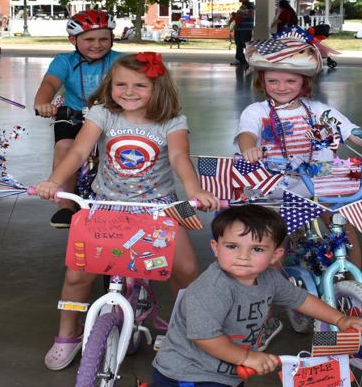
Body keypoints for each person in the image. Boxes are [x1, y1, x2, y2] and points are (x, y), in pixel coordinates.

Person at [30, 52, 224, 370]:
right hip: (106, 204)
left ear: (158, 88)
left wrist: (194, 190)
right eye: (121, 84)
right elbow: (78, 150)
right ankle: (68, 333)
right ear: (110, 86)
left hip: (158, 208)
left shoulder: (172, 121)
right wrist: (54, 181)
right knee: (77, 274)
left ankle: (185, 332)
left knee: (187, 272)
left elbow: (179, 158)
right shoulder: (102, 113)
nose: (129, 91)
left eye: (140, 85)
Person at [148, 205, 362, 387]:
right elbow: (204, 337)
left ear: (276, 255)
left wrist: (341, 319)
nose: (243, 256)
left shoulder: (269, 279)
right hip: (189, 375)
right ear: (215, 247)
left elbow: (302, 299)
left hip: (227, 372)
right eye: (232, 246)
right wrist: (247, 357)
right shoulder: (211, 289)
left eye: (257, 249)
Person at [236, 31, 362, 269]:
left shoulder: (318, 110)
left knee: (341, 226)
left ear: (304, 82)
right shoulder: (256, 111)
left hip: (320, 180)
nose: (281, 87)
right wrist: (249, 149)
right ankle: (273, 289)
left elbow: (353, 133)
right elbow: (246, 134)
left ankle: (353, 279)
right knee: (272, 241)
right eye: (273, 81)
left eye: (291, 81)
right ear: (262, 82)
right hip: (277, 183)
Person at [31, 9, 122, 228]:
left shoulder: (121, 61)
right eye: (89, 39)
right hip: (72, 114)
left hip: (111, 115)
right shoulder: (65, 61)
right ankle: (65, 205)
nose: (97, 44)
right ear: (73, 39)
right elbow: (50, 84)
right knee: (65, 146)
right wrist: (43, 102)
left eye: (103, 39)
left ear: (112, 39)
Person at [229, 0, 254, 65]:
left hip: (245, 29)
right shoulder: (242, 7)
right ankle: (239, 59)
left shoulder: (250, 6)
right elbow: (237, 17)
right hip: (239, 29)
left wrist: (238, 15)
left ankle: (248, 59)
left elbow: (249, 14)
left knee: (244, 44)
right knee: (239, 44)